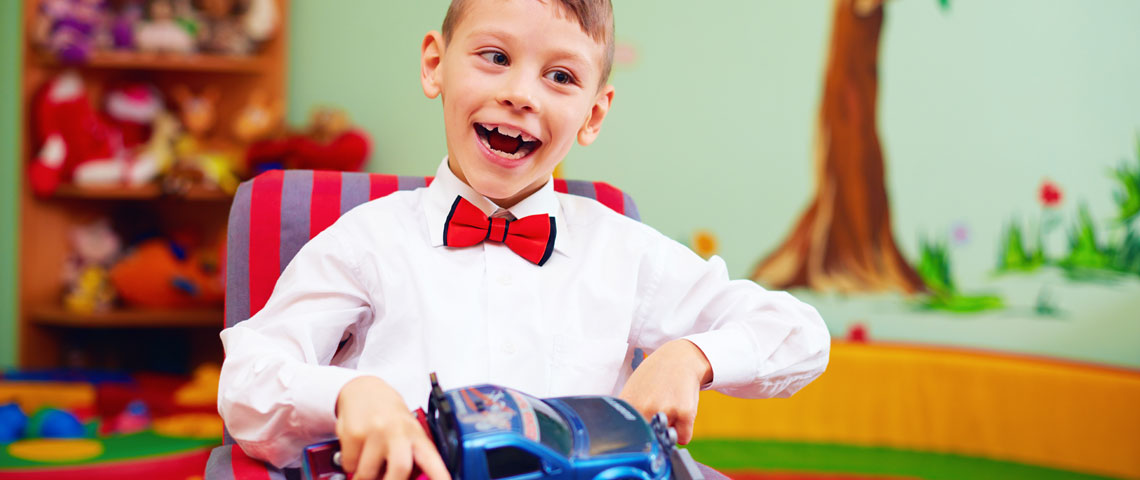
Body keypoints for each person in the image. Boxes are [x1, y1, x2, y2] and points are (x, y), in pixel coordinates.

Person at [217, 1, 831, 479]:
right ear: (434, 64)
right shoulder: (364, 241)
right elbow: (248, 378)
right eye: (494, 56)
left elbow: (798, 334)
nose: (521, 94)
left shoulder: (624, 251)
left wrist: (689, 357)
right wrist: (349, 393)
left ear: (593, 114)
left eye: (560, 76)